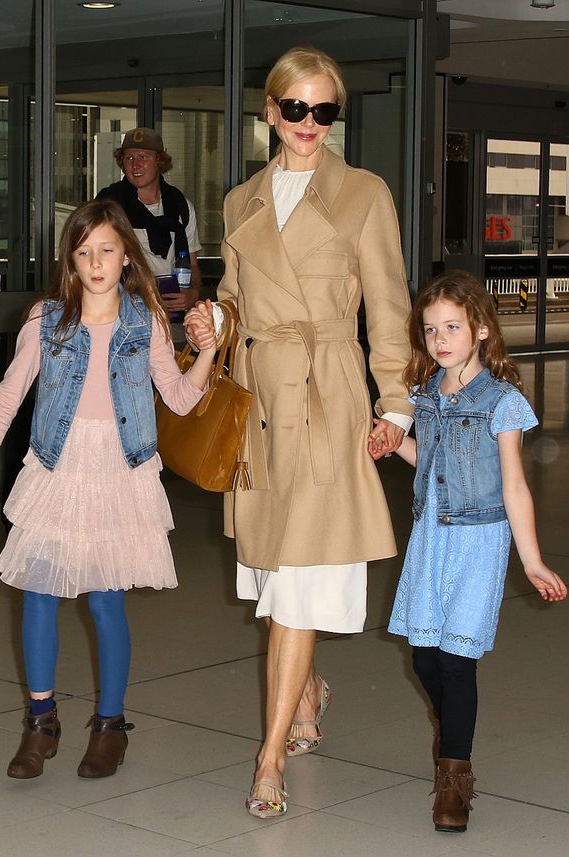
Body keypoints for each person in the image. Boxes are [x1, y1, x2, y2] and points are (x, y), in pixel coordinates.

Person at [0, 199, 217, 780]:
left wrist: (210, 353)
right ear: (70, 262)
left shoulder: (144, 320)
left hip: (121, 471)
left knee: (105, 599)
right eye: (84, 252)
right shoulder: (46, 320)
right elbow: (9, 394)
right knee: (40, 593)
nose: (96, 263)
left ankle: (110, 726)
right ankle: (41, 721)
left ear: (126, 257)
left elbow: (176, 397)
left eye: (107, 250)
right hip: (58, 468)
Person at [215, 46, 414, 819]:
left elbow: (389, 307)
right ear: (270, 111)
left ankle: (268, 760)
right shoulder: (240, 202)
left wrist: (394, 405)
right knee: (276, 576)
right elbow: (233, 302)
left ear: (337, 117)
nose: (308, 124)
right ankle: (308, 689)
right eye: (294, 108)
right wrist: (213, 320)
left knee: (297, 578)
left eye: (323, 110)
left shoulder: (364, 194)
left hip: (328, 391)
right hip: (263, 397)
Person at [378, 270, 567, 833]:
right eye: (431, 329)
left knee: (457, 663)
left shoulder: (501, 401)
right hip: (431, 538)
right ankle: (451, 725)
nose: (440, 339)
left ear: (481, 329)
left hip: (480, 540)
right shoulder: (426, 395)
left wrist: (531, 560)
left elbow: (514, 485)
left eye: (452, 327)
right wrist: (394, 443)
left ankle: (454, 779)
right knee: (423, 657)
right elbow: (433, 463)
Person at [97, 127, 203, 322]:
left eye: (143, 157)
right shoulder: (109, 205)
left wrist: (193, 294)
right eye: (129, 158)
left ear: (159, 161)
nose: (135, 165)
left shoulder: (181, 206)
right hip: (120, 315)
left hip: (170, 316)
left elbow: (192, 265)